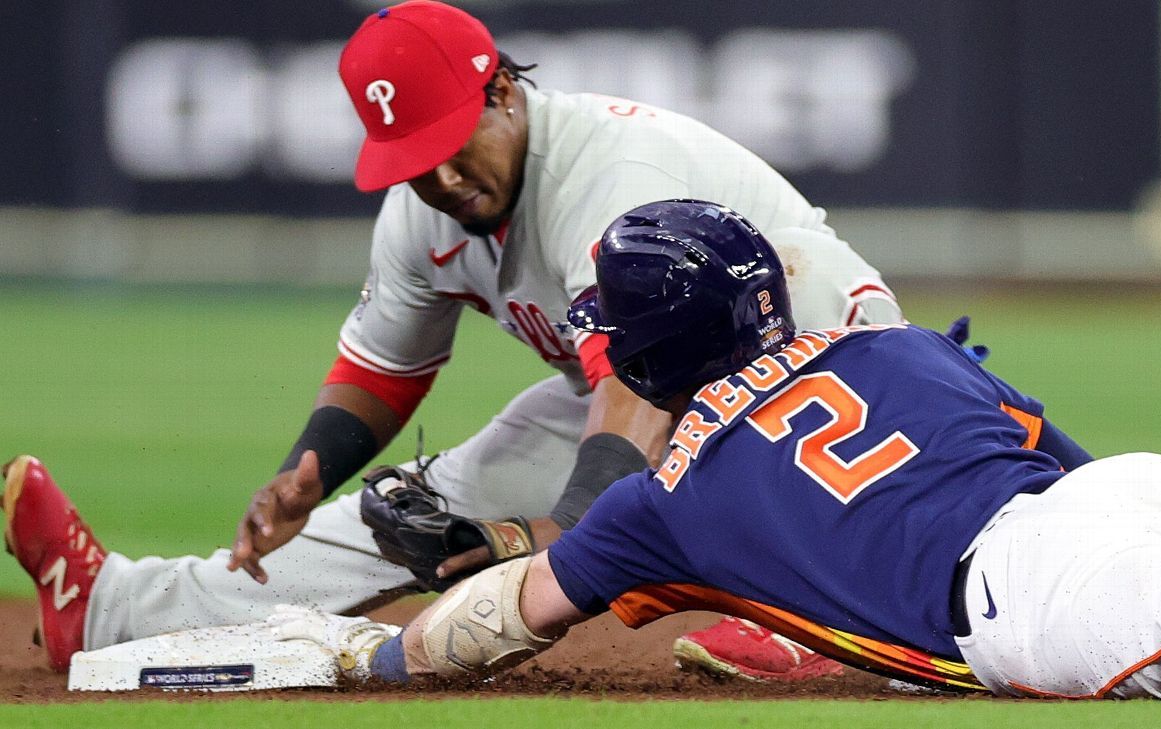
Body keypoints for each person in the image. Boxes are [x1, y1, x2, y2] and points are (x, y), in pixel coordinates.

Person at [0, 0, 904, 680]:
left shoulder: (609, 176)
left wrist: (557, 533)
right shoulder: (421, 214)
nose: (439, 174)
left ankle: (809, 620)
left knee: (610, 496)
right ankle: (116, 603)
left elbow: (634, 393)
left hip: (817, 369)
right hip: (646, 384)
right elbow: (381, 365)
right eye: (411, 156)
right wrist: (310, 462)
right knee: (417, 512)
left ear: (504, 91)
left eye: (451, 138)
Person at [267, 199, 1161, 699]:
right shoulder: (896, 343)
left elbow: (503, 617)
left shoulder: (663, 499)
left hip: (1020, 594)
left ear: (651, 348)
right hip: (1120, 495)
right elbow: (1069, 474)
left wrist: (387, 657)